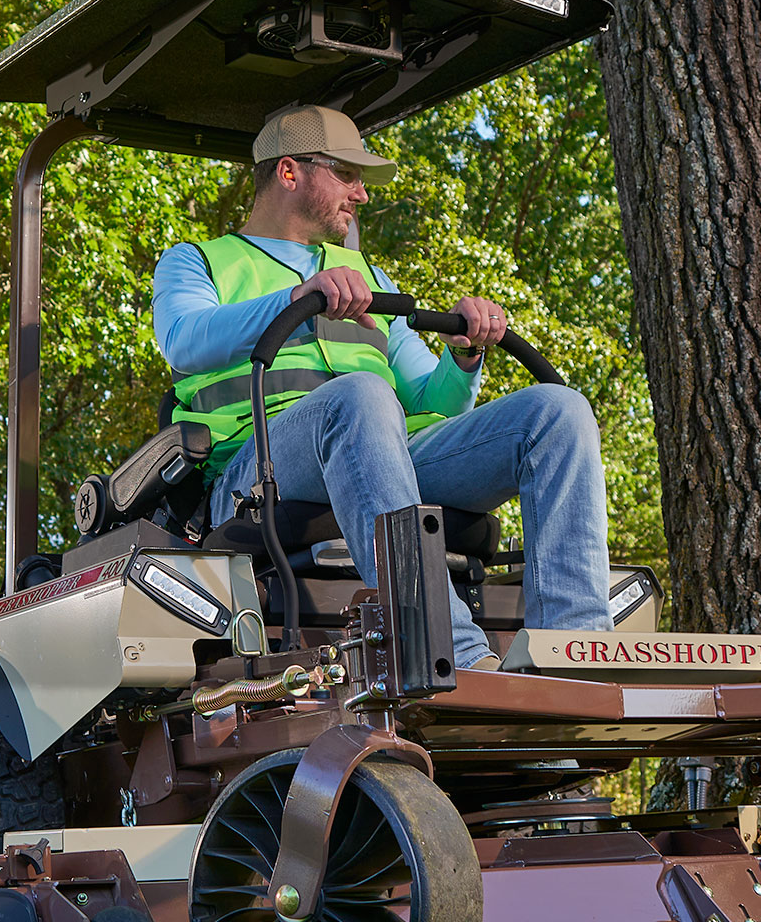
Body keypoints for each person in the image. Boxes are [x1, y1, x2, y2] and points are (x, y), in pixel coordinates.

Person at [152, 104, 613, 670]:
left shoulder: (371, 280)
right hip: (258, 471)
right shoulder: (196, 262)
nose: (361, 194)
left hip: (381, 458)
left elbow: (427, 402)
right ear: (289, 172)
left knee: (558, 412)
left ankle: (576, 656)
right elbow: (184, 337)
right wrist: (294, 300)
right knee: (360, 397)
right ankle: (459, 658)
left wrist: (463, 358)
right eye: (347, 175)